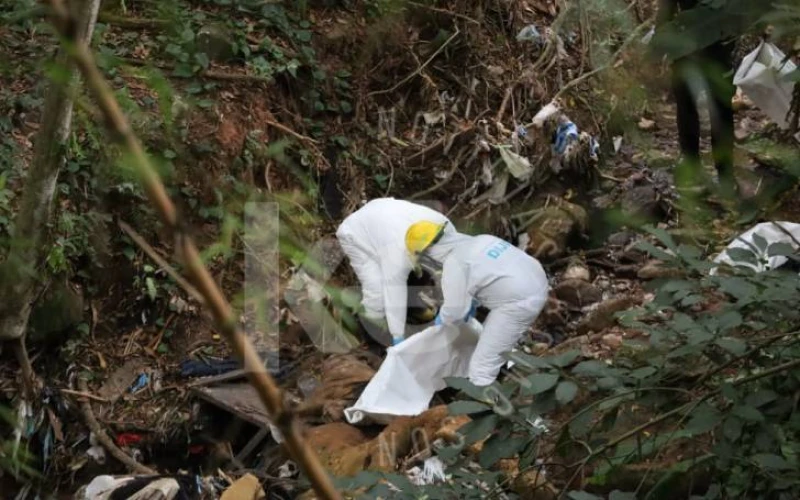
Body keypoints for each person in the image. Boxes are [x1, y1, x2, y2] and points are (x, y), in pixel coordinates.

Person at [406, 221, 550, 387]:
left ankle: (491, 407)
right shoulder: (481, 240)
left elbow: (455, 313)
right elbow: (487, 273)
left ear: (426, 254)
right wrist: (472, 303)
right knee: (492, 337)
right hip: (538, 280)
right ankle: (515, 369)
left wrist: (439, 325)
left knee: (481, 369)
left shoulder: (454, 263)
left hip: (520, 303)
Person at [336, 198, 455, 346]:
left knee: (419, 274)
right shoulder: (397, 256)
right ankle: (370, 339)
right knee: (377, 294)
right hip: (355, 232)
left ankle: (412, 308)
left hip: (384, 215)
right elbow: (394, 294)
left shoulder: (446, 228)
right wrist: (397, 337)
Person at [656, 0, 737, 200]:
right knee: (711, 109)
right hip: (711, 43)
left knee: (694, 108)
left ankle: (710, 174)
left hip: (696, 42)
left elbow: (666, 10)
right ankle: (721, 176)